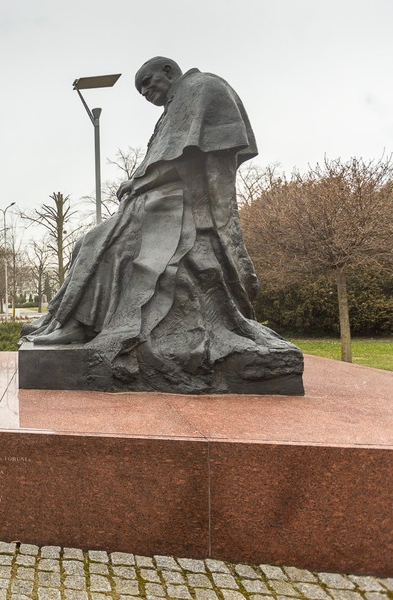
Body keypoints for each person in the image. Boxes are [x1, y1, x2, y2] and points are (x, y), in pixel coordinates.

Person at [22, 57, 302, 393]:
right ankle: (69, 320)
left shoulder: (203, 88)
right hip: (157, 200)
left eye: (149, 83)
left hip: (180, 205)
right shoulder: (176, 105)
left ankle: (77, 326)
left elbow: (189, 157)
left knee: (103, 242)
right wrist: (139, 185)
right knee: (88, 242)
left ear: (168, 72)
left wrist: (138, 184)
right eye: (140, 90)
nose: (146, 92)